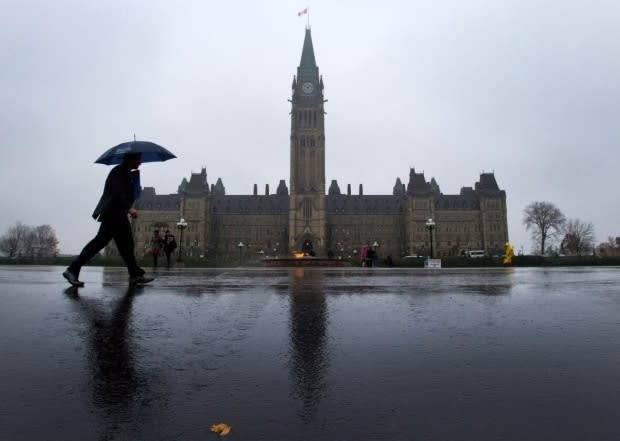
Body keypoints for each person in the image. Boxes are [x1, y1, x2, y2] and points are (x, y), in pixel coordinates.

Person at [63, 153, 153, 287]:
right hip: (113, 214)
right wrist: (129, 208)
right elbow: (117, 194)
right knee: (107, 244)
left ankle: (135, 274)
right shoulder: (119, 172)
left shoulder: (125, 173)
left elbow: (123, 194)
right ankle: (72, 269)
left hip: (117, 214)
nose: (140, 163)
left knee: (123, 245)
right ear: (131, 159)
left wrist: (135, 190)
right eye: (138, 160)